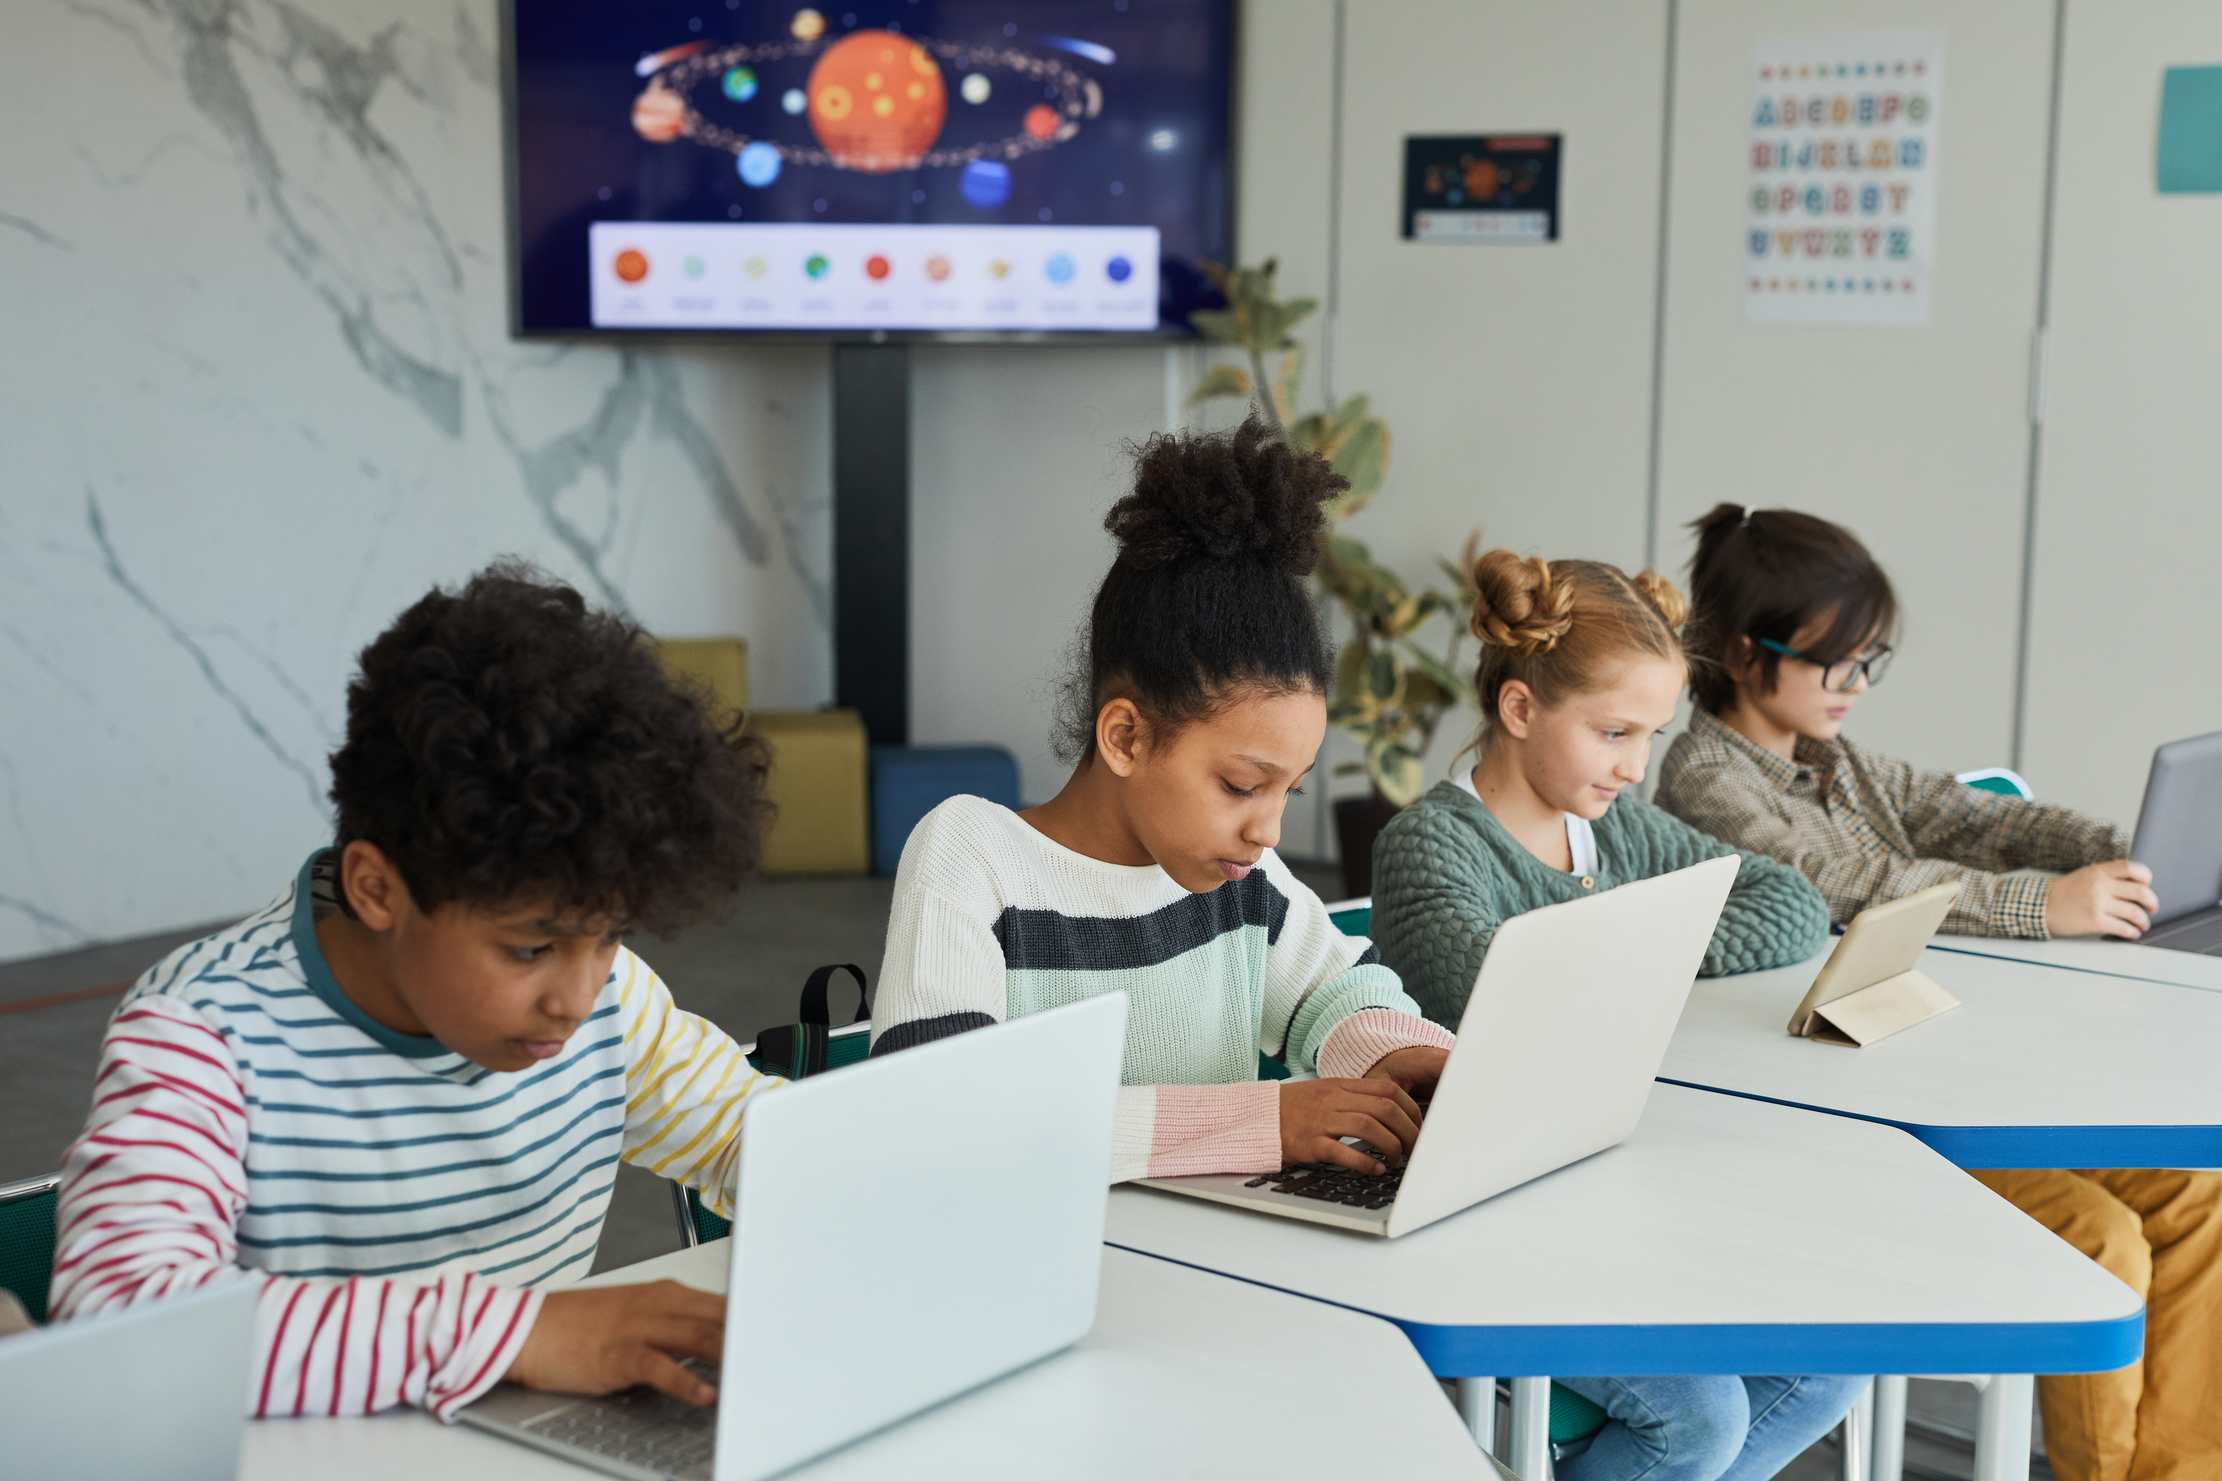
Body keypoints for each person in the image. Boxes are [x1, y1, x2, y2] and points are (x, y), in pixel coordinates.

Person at [50, 563, 781, 1419]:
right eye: (530, 947)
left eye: (609, 936)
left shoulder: (612, 1001)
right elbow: (123, 1322)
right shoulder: (203, 1035)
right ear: (377, 890)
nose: (577, 997)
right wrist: (519, 1334)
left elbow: (760, 1141)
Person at [1658, 503, 2222, 1481]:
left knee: (2195, 1193)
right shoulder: (1705, 782)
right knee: (2102, 1240)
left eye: (1869, 660)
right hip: (1844, 1118)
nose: (1854, 687)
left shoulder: (1834, 762)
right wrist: (2047, 906)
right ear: (1747, 654)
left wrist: (2126, 850)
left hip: (1939, 1075)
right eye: (1835, 663)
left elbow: (1975, 818)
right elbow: (1844, 882)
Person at [1371, 543, 1851, 1481]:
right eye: (1613, 732)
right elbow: (1517, 1004)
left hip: (1623, 1186)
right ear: (1519, 709)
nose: (1636, 766)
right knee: (1700, 1419)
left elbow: (1787, 899)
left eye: (1650, 737)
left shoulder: (1611, 824)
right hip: (1487, 1214)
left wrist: (1648, 950)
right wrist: (1642, 944)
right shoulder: (1427, 847)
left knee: (1826, 1366)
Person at [871, 415, 1454, 1183]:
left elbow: (1335, 992)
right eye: (1242, 785)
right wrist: (1263, 1119)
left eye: (1289, 788)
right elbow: (941, 1111)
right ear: (1126, 738)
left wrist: (1409, 1056)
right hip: (1033, 1267)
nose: (1267, 829)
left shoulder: (1240, 879)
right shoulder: (973, 855)